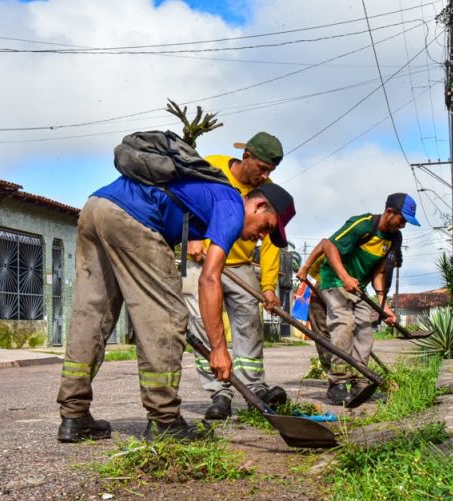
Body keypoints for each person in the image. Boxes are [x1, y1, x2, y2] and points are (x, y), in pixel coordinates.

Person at [55, 134, 296, 443]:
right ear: (259, 204)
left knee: (93, 316)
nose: (259, 238)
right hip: (134, 217)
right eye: (265, 227)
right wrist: (219, 349)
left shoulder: (209, 193)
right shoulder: (232, 205)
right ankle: (164, 419)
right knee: (167, 318)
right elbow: (210, 279)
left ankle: (74, 416)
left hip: (96, 207)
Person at [181, 132, 289, 421]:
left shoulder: (268, 192)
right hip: (201, 259)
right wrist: (191, 237)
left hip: (239, 264)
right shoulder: (211, 167)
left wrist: (268, 286)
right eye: (262, 168)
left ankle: (254, 387)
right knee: (203, 322)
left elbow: (269, 243)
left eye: (270, 171)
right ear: (247, 157)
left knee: (249, 325)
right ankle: (219, 392)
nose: (264, 175)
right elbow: (187, 200)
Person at [316, 193, 419, 404]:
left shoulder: (394, 238)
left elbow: (379, 272)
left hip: (359, 287)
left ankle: (360, 381)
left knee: (365, 330)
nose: (403, 226)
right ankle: (337, 383)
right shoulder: (362, 224)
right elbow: (329, 246)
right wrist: (344, 277)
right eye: (402, 220)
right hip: (334, 280)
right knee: (344, 324)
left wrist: (384, 305)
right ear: (389, 212)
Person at [296, 241, 332, 373]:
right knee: (322, 331)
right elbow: (324, 243)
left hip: (344, 284)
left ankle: (344, 372)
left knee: (343, 329)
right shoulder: (342, 240)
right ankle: (333, 373)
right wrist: (305, 268)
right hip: (324, 283)